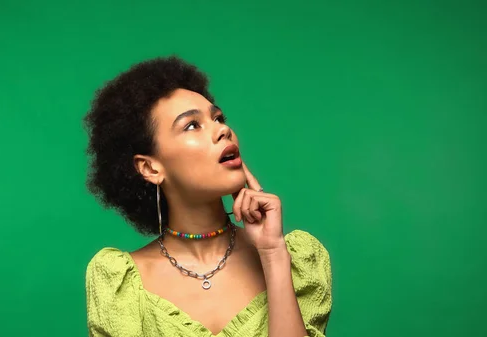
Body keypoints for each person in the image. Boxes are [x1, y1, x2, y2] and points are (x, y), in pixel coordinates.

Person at [83, 56, 332, 337]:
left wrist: (273, 255)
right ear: (150, 168)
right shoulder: (120, 282)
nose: (223, 130)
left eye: (218, 118)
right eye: (192, 125)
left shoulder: (298, 261)